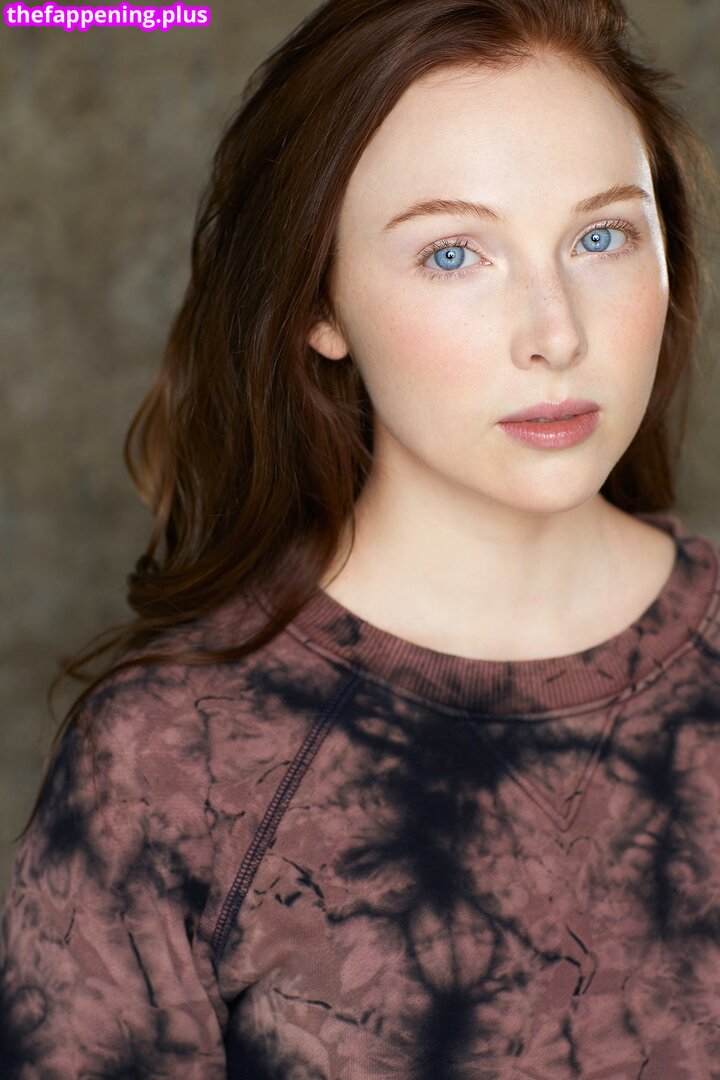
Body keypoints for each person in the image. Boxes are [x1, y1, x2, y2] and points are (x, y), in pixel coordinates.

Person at [2, 0, 719, 1075]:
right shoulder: (167, 761)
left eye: (601, 236)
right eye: (453, 254)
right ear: (319, 303)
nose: (556, 333)